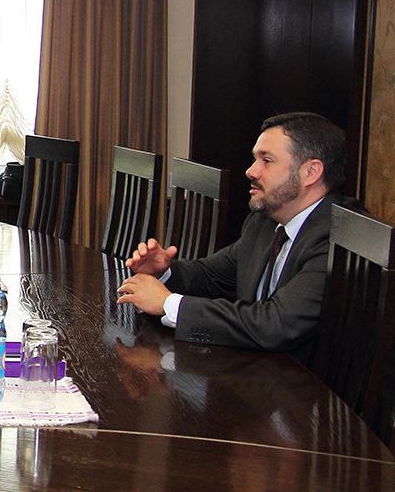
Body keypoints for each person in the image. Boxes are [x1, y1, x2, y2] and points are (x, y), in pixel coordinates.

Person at [116, 112, 347, 365]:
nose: (251, 171)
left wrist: (168, 304)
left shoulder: (338, 238)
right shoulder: (265, 221)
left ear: (311, 172)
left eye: (267, 161)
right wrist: (164, 272)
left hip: (306, 384)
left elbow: (276, 324)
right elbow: (212, 275)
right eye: (255, 159)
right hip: (255, 369)